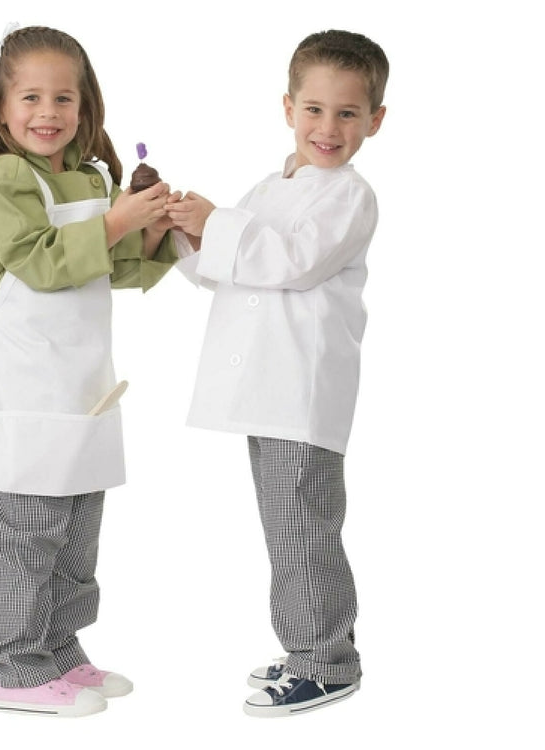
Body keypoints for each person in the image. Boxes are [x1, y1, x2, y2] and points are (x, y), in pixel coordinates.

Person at [167, 29, 388, 716]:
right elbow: (229, 271)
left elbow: (291, 262)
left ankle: (325, 661)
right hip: (266, 388)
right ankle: (312, 646)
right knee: (288, 526)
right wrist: (182, 233)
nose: (328, 128)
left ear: (375, 120)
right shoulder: (269, 188)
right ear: (288, 108)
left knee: (302, 526)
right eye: (314, 109)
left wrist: (217, 222)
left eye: (348, 114)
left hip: (300, 389)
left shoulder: (350, 196)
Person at [0, 24, 178, 717]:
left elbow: (118, 270)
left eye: (63, 98)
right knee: (31, 537)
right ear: (0, 108)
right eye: (30, 97)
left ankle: (59, 650)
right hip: (30, 386)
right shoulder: (4, 182)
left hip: (85, 384)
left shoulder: (91, 178)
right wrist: (116, 221)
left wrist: (150, 226)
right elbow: (42, 263)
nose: (48, 112)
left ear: (85, 107)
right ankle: (18, 668)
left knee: (77, 538)